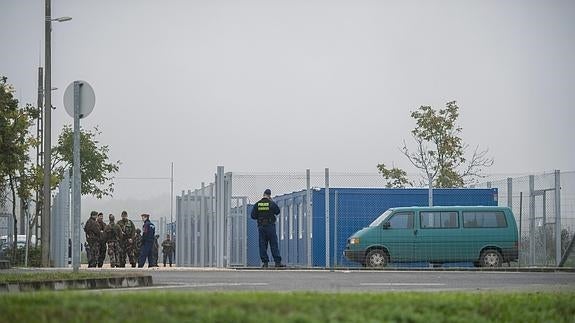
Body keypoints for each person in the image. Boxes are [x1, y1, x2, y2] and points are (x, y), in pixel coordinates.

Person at [250, 189, 285, 268]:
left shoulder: (257, 204)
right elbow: (277, 211)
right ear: (269, 195)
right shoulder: (271, 203)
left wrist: (260, 217)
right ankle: (277, 262)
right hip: (270, 226)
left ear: (263, 194)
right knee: (273, 244)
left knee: (262, 245)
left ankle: (265, 263)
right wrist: (272, 202)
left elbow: (252, 216)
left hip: (261, 227)